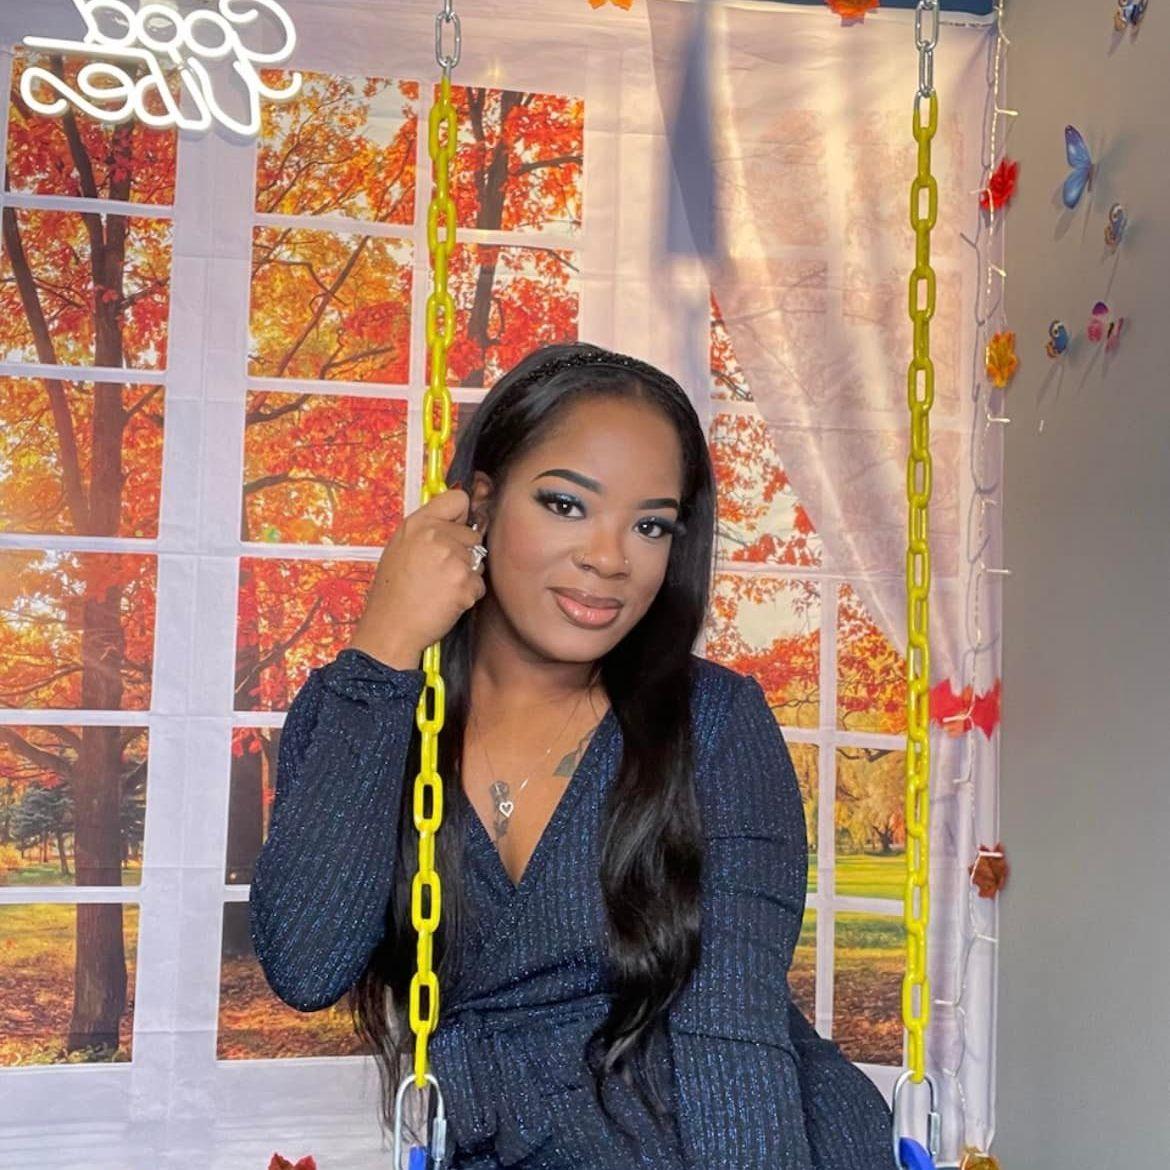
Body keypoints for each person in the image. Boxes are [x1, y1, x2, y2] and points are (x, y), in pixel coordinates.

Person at [248, 342, 896, 1169]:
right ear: (481, 505)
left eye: (650, 524)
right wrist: (384, 648)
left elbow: (730, 1035)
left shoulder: (715, 725)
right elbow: (306, 966)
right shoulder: (363, 709)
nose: (610, 558)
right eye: (565, 504)